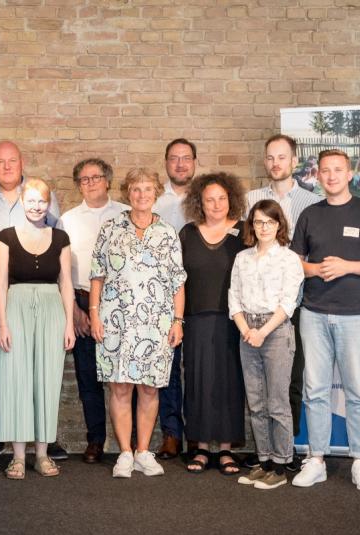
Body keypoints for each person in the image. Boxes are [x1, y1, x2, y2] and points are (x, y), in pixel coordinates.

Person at [290, 149, 360, 492]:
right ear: (317, 176)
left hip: (357, 315)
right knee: (315, 390)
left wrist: (348, 266)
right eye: (325, 171)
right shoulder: (309, 214)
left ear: (349, 173)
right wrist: (317, 269)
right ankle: (316, 459)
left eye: (338, 170)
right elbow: (295, 263)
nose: (331, 176)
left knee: (358, 392)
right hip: (314, 313)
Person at [0, 141, 65, 462]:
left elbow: (57, 250)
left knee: (41, 369)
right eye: (0, 162)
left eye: (12, 161)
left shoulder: (41, 196)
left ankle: (44, 440)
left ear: (22, 162)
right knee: (0, 371)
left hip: (42, 298)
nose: (7, 166)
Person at [90, 168, 186, 478]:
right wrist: (93, 314)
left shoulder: (168, 232)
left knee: (149, 389)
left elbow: (177, 282)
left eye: (147, 189)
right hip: (116, 321)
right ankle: (125, 454)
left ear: (156, 193)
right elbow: (97, 274)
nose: (141, 194)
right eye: (135, 189)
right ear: (127, 193)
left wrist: (177, 320)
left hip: (155, 324)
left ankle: (144, 451)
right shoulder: (111, 228)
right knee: (119, 388)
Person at [246, 134, 322, 471]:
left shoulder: (311, 202)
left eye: (282, 157)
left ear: (294, 161)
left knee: (289, 382)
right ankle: (266, 454)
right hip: (254, 310)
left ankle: (285, 453)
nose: (276, 163)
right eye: (270, 158)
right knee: (258, 387)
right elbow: (246, 252)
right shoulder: (251, 199)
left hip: (295, 307)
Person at [0, 178, 74, 479]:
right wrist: (2, 323)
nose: (37, 206)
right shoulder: (6, 236)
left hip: (52, 308)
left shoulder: (61, 238)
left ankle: (41, 454)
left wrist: (68, 322)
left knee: (47, 380)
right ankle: (16, 456)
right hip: (16, 306)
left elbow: (65, 281)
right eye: (31, 200)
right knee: (16, 378)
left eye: (42, 201)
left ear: (48, 203)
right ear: (22, 202)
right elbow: (0, 282)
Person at [229, 200, 304, 490]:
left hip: (276, 332)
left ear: (279, 225)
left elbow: (288, 302)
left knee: (277, 402)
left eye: (269, 222)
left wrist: (262, 331)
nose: (263, 227)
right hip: (247, 331)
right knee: (256, 402)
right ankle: (264, 461)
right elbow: (233, 297)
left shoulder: (289, 259)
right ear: (251, 225)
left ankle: (281, 464)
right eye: (258, 222)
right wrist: (247, 329)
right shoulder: (242, 258)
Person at [57, 158, 127, 463]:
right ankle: (95, 440)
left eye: (96, 177)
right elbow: (62, 272)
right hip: (82, 302)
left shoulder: (126, 214)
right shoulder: (67, 219)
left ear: (108, 181)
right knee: (88, 378)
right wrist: (74, 310)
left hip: (121, 306)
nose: (90, 183)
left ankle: (131, 442)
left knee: (123, 377)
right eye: (83, 180)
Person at [178, 172, 247, 475]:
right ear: (199, 203)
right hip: (195, 321)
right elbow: (176, 280)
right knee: (198, 383)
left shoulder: (246, 232)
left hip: (236, 321)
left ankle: (227, 450)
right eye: (209, 199)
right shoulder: (187, 233)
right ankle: (202, 448)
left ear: (231, 199)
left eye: (221, 198)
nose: (216, 204)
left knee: (230, 383)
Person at [152, 138, 196, 460]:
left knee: (198, 368)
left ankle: (198, 431)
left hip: (204, 293)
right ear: (166, 163)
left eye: (186, 158)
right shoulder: (154, 200)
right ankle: (171, 433)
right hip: (164, 296)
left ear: (195, 162)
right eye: (174, 158)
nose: (180, 164)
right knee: (167, 367)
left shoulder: (208, 197)